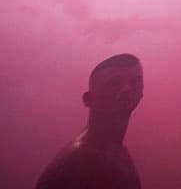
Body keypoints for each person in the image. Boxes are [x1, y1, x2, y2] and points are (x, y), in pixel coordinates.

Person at [35, 54, 144, 189]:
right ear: (88, 99)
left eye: (135, 81)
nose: (127, 89)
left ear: (142, 92)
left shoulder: (114, 149)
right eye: (114, 83)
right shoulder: (79, 159)